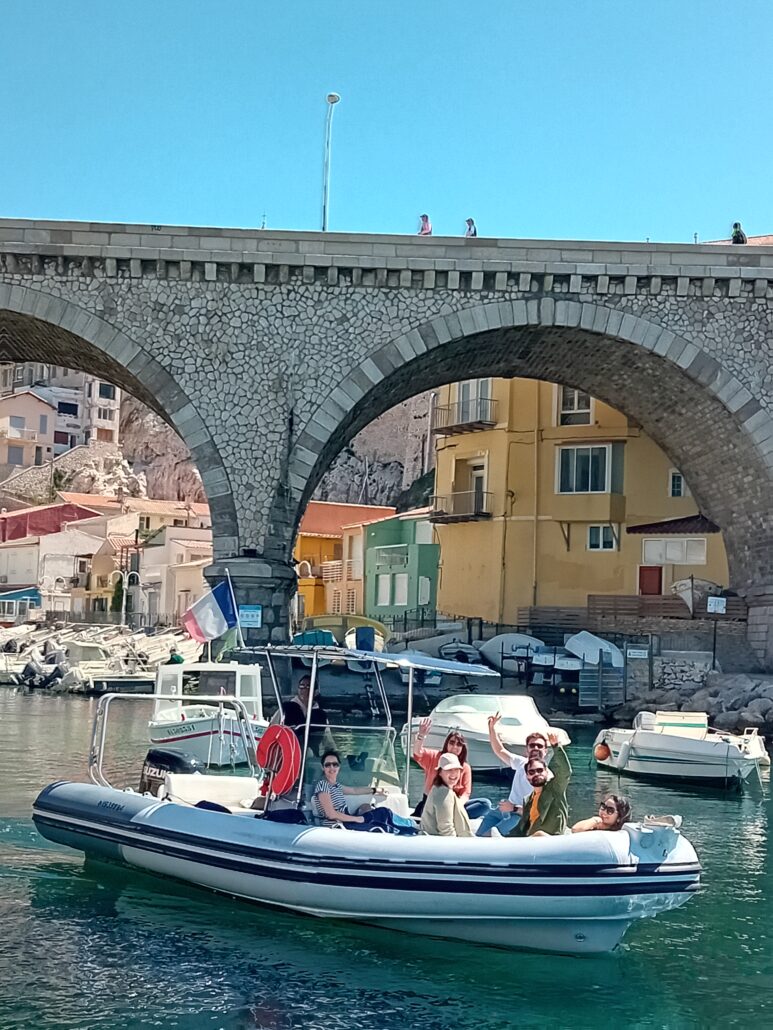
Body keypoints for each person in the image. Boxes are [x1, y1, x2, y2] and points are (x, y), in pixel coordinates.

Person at [476, 722, 554, 837]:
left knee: (489, 836)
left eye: (539, 746)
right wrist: (491, 728)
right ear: (527, 750)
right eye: (532, 745)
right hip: (504, 810)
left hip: (521, 816)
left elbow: (539, 812)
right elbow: (500, 750)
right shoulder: (521, 763)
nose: (535, 748)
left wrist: (514, 808)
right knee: (479, 835)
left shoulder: (546, 777)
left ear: (546, 751)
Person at [412, 718, 491, 819]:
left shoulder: (465, 767)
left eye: (459, 744)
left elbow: (465, 793)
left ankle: (453, 816)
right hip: (432, 804)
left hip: (454, 805)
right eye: (452, 742)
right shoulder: (434, 757)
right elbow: (417, 753)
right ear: (446, 744)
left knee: (485, 804)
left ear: (463, 748)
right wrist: (421, 736)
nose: (454, 747)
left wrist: (457, 807)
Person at [509, 740, 572, 837]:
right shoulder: (528, 799)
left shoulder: (555, 789)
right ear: (527, 776)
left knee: (539, 834)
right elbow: (523, 826)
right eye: (532, 772)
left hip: (550, 839)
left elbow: (565, 771)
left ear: (546, 772)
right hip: (530, 841)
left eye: (540, 770)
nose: (536, 774)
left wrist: (556, 746)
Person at [312, 749, 385, 824]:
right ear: (322, 767)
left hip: (346, 820)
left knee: (381, 811)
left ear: (339, 766)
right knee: (381, 815)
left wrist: (375, 790)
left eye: (335, 764)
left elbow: (354, 791)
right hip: (337, 825)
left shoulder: (337, 785)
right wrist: (357, 819)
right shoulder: (323, 785)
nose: (332, 767)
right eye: (327, 765)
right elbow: (331, 814)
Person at [420, 753, 474, 837]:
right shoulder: (443, 793)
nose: (453, 773)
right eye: (449, 770)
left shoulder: (441, 789)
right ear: (440, 772)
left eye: (456, 770)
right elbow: (446, 829)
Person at [280, 674, 329, 753]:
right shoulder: (286, 708)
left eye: (308, 687)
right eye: (301, 686)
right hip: (289, 751)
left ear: (316, 692)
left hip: (312, 753)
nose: (304, 690)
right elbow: (273, 728)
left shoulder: (320, 714)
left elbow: (327, 738)